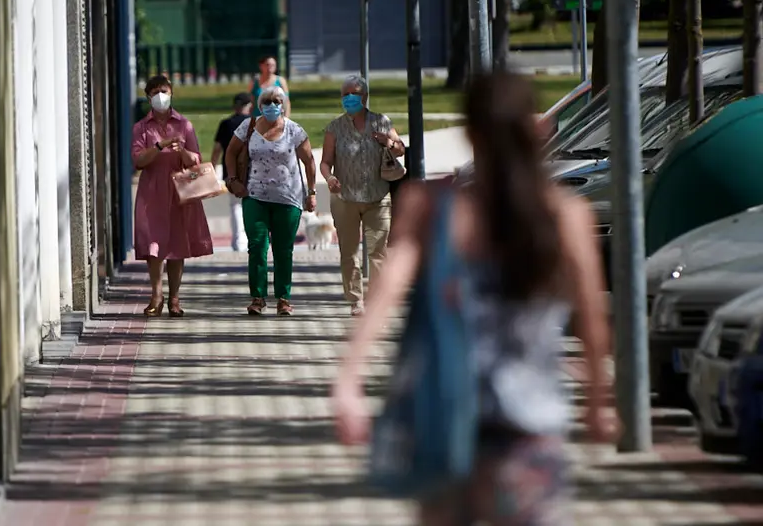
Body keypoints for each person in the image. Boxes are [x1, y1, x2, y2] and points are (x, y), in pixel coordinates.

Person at [332, 72, 618, 525]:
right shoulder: (563, 213)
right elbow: (591, 318)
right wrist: (599, 402)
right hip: (530, 425)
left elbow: (386, 291)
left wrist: (349, 381)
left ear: (469, 132)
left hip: (446, 421)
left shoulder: (433, 208)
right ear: (537, 129)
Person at [224, 86, 317, 316]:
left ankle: (283, 298)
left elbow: (309, 161)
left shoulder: (294, 130)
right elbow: (231, 152)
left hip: (288, 198)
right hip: (254, 196)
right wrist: (233, 179)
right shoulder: (249, 126)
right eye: (267, 101)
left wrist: (312, 192)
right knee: (257, 246)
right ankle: (258, 297)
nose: (272, 105)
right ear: (259, 105)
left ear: (283, 104)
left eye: (277, 101)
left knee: (283, 249)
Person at [321, 75, 405, 317]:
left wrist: (388, 141)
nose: (348, 98)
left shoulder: (381, 121)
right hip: (345, 198)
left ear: (365, 97)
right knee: (349, 252)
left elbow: (400, 149)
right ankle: (356, 299)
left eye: (354, 94)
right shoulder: (334, 128)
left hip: (377, 197)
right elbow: (325, 162)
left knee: (378, 252)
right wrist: (329, 178)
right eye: (344, 94)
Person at [131, 75, 213, 318]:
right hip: (152, 190)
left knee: (177, 245)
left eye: (164, 91)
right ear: (147, 97)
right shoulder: (141, 128)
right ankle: (156, 294)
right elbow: (138, 160)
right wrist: (159, 146)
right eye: (154, 92)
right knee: (154, 245)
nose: (160, 96)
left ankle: (175, 297)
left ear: (172, 93)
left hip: (180, 189)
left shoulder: (184, 125)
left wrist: (183, 151)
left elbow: (196, 159)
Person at [211, 92, 253, 252]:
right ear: (249, 106)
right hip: (251, 170)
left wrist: (213, 170)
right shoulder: (254, 123)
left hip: (230, 170)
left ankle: (238, 242)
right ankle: (251, 239)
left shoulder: (225, 124)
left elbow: (216, 150)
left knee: (235, 206)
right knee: (252, 205)